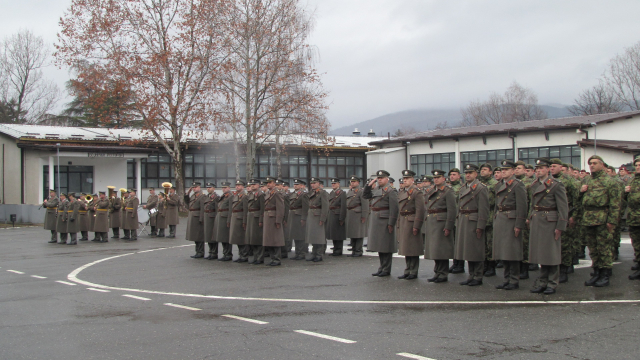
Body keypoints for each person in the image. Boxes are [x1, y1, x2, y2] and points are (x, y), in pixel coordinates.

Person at [528, 158, 569, 295]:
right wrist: (530, 217)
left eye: (541, 168)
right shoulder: (534, 185)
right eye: (537, 168)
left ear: (548, 170)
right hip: (537, 220)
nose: (538, 171)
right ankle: (542, 281)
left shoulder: (556, 185)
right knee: (541, 254)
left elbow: (563, 208)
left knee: (551, 253)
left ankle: (552, 283)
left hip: (550, 221)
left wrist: (561, 226)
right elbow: (532, 204)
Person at [579, 155, 621, 287]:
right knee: (593, 249)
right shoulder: (587, 180)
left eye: (595, 163)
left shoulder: (611, 181)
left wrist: (612, 222)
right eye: (590, 163)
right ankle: (596, 272)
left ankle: (605, 274)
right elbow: (580, 201)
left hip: (602, 218)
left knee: (604, 248)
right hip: (588, 218)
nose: (591, 165)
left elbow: (616, 204)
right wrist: (581, 192)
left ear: (602, 165)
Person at [493, 160, 527, 290]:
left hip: (512, 219)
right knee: (504, 252)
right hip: (501, 219)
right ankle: (506, 278)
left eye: (506, 170)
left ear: (513, 171)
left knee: (512, 251)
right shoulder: (499, 185)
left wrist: (519, 224)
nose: (503, 172)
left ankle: (514, 279)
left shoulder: (517, 185)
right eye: (502, 170)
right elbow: (497, 204)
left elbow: (522, 206)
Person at [455, 164, 490, 287]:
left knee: (476, 250)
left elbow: (484, 208)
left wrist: (481, 225)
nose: (468, 175)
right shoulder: (464, 187)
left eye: (471, 173)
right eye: (466, 173)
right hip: (464, 221)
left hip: (474, 221)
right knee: (468, 250)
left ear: (476, 174)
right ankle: (471, 275)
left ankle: (478, 276)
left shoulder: (481, 188)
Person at [549, 159, 580, 283]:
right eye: (550, 166)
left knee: (565, 244)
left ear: (560, 167)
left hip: (565, 214)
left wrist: (574, 216)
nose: (552, 168)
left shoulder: (568, 181)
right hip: (552, 216)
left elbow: (576, 200)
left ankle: (564, 269)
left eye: (554, 166)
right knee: (554, 243)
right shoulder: (549, 181)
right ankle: (556, 268)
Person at [363, 170, 399, 277]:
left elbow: (394, 209)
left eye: (381, 178)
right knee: (380, 246)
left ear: (387, 179)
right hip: (376, 219)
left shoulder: (391, 191)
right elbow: (365, 195)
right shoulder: (377, 189)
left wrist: (391, 223)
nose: (379, 180)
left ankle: (386, 269)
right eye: (378, 178)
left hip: (384, 220)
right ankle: (382, 267)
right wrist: (368, 185)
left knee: (386, 246)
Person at [424, 169, 457, 283]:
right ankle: (437, 272)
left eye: (438, 177)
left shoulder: (448, 191)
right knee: (435, 250)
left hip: (442, 223)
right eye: (434, 178)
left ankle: (443, 273)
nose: (436, 179)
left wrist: (448, 226)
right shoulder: (432, 190)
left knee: (442, 250)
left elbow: (452, 210)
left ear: (444, 179)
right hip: (433, 222)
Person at [396, 170, 425, 280]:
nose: (405, 180)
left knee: (413, 248)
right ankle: (408, 269)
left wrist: (417, 225)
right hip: (404, 220)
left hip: (412, 221)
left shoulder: (416, 192)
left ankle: (413, 271)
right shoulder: (403, 192)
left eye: (407, 179)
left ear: (412, 180)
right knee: (406, 248)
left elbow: (420, 210)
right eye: (404, 178)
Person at [478, 163, 498, 277]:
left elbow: (497, 201)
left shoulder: (495, 184)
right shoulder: (479, 184)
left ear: (491, 172)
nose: (482, 171)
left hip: (490, 216)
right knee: (482, 243)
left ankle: (491, 266)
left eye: (485, 170)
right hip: (482, 216)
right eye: (481, 170)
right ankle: (484, 265)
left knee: (490, 243)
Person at [262, 176, 285, 266]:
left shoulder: (277, 193)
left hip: (274, 218)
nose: (268, 184)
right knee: (269, 240)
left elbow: (280, 208)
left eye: (270, 183)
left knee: (276, 240)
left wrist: (278, 220)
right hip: (268, 218)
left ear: (274, 183)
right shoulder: (268, 193)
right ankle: (272, 258)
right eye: (267, 183)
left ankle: (277, 259)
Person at [305, 177, 329, 262]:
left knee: (319, 237)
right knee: (313, 236)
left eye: (314, 183)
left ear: (318, 184)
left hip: (318, 216)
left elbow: (325, 207)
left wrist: (322, 218)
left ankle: (319, 254)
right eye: (311, 183)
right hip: (311, 215)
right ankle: (314, 253)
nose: (313, 185)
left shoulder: (323, 193)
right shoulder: (311, 193)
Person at [345, 176, 369, 257]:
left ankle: (358, 250)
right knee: (352, 233)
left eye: (354, 181)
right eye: (351, 181)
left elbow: (365, 204)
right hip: (350, 214)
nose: (352, 183)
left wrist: (364, 216)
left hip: (358, 214)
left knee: (358, 234)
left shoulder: (361, 191)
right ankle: (354, 250)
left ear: (358, 182)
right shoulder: (350, 191)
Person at [626, 157, 640, 280]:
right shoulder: (633, 180)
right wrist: (627, 193)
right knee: (636, 244)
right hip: (634, 218)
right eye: (636, 165)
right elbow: (628, 200)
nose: (638, 167)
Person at [245, 179, 265, 264]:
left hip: (256, 217)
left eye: (254, 184)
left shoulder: (261, 195)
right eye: (251, 184)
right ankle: (256, 257)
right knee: (252, 238)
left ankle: (260, 258)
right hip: (250, 217)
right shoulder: (250, 195)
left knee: (258, 238)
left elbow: (262, 209)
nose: (252, 186)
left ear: (258, 185)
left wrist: (261, 220)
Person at [288, 179, 309, 260]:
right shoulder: (293, 194)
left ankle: (302, 253)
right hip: (293, 216)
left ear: (301, 186)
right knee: (295, 236)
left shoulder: (303, 194)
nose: (295, 186)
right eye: (294, 184)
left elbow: (305, 207)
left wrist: (304, 218)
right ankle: (297, 253)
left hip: (299, 216)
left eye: (297, 184)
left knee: (300, 236)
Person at [229, 180, 249, 262]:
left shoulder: (245, 196)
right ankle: (241, 255)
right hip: (235, 218)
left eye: (239, 185)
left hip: (240, 218)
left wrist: (244, 221)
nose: (237, 186)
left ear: (243, 187)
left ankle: (244, 255)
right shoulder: (236, 195)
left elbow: (245, 210)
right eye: (236, 185)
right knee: (237, 238)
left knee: (241, 238)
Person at [185, 182, 206, 258]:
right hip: (192, 216)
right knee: (194, 235)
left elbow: (202, 208)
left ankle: (200, 252)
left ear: (199, 187)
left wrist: (201, 218)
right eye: (193, 187)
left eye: (195, 187)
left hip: (197, 217)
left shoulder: (202, 196)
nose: (194, 188)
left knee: (199, 236)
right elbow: (188, 203)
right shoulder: (193, 195)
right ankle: (197, 251)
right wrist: (187, 193)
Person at [327, 178, 347, 256]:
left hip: (338, 214)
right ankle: (335, 249)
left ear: (338, 184)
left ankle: (338, 250)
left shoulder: (342, 193)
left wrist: (342, 218)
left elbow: (343, 206)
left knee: (339, 234)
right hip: (331, 214)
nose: (333, 185)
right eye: (332, 184)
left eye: (334, 183)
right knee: (333, 234)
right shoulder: (332, 192)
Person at [215, 182, 233, 261]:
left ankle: (228, 254)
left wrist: (229, 220)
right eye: (222, 188)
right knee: (222, 237)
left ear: (229, 188)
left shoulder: (230, 196)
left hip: (225, 218)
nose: (223, 189)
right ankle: (225, 253)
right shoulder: (223, 196)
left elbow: (230, 209)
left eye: (225, 188)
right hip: (221, 217)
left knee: (226, 237)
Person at [203, 183, 219, 260]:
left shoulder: (216, 197)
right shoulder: (207, 196)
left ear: (214, 188)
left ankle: (214, 252)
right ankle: (210, 252)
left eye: (210, 187)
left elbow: (217, 209)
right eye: (207, 187)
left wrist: (216, 219)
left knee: (213, 236)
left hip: (212, 217)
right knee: (208, 236)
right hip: (207, 216)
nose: (208, 189)